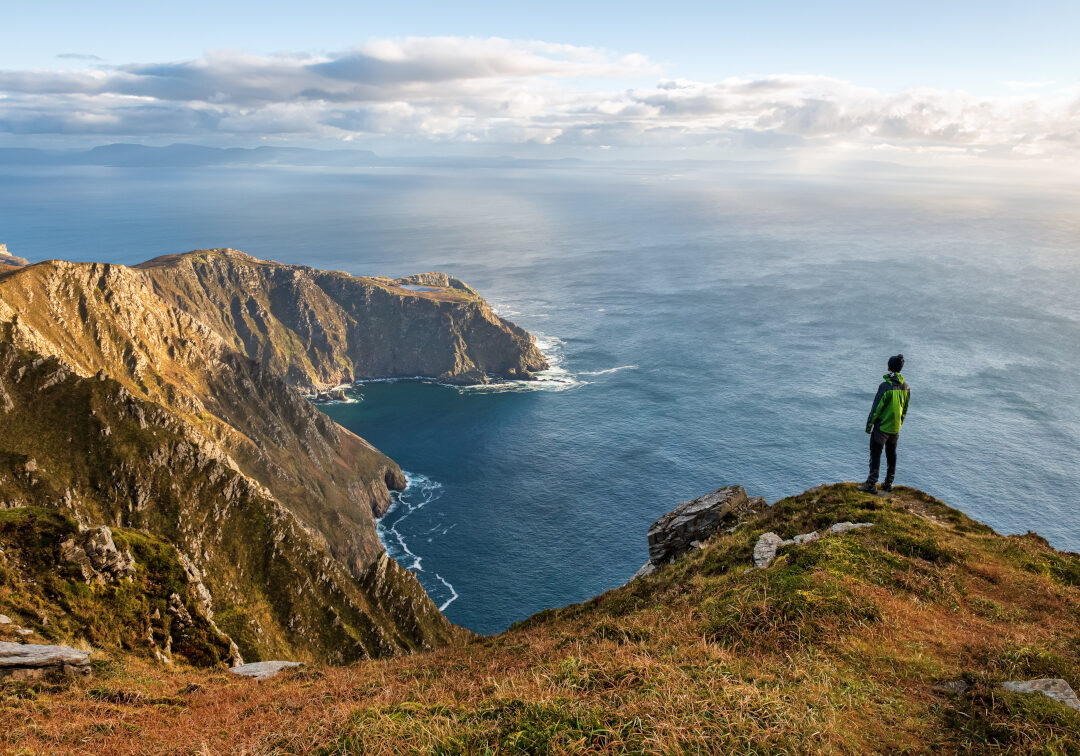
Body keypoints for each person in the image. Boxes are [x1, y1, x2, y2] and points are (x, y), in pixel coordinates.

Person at [860, 354, 910, 493]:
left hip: (882, 427)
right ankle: (888, 483)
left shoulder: (885, 386)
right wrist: (899, 423)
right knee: (891, 455)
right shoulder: (906, 387)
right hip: (895, 427)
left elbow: (876, 408)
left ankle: (871, 484)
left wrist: (869, 425)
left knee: (875, 455)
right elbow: (905, 409)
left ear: (889, 367)